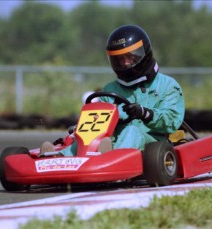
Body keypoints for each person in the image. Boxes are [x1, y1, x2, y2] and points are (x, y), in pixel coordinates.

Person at [40, 25, 185, 156]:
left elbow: (172, 121)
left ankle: (110, 160)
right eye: (119, 59)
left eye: (130, 57)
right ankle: (59, 158)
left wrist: (144, 113)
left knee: (132, 131)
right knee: (89, 136)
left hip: (153, 143)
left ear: (143, 54)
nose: (125, 63)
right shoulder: (110, 90)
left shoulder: (168, 85)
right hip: (113, 141)